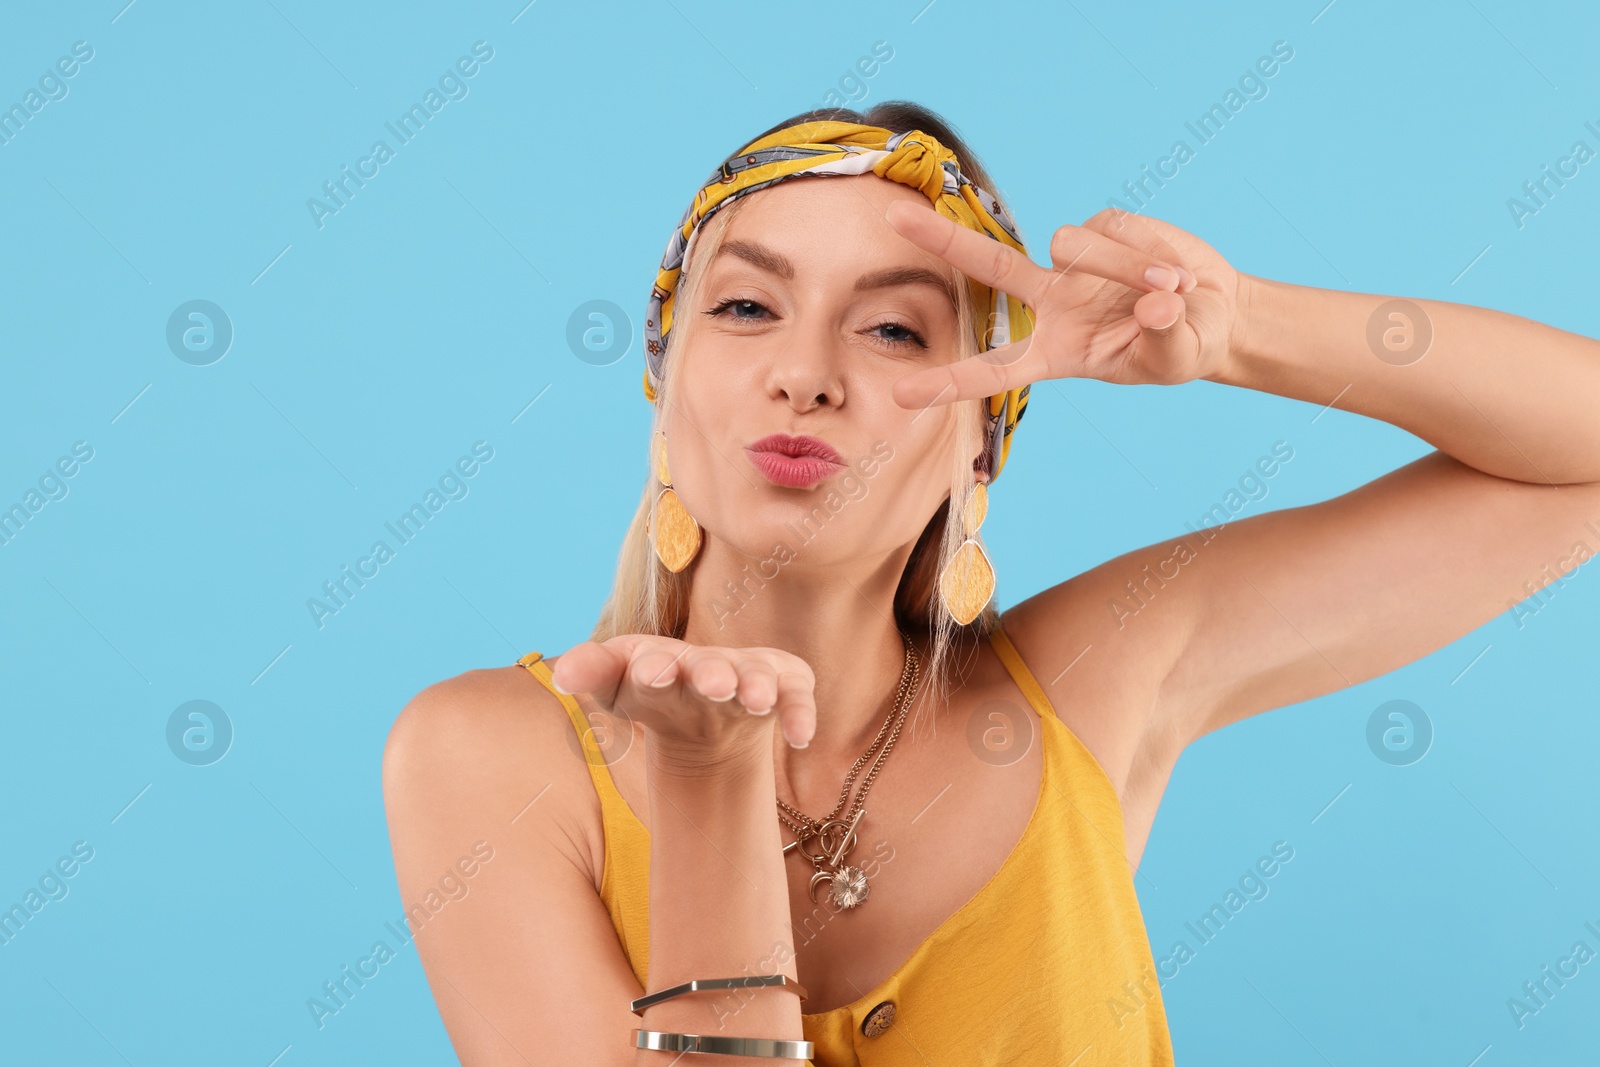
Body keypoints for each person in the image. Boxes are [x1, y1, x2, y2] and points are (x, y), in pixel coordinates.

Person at [381, 101, 1600, 1065]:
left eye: (895, 330)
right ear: (663, 393)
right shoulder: (489, 756)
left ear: (980, 441)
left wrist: (1239, 330)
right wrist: (711, 790)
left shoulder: (1098, 677)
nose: (803, 373)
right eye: (748, 306)